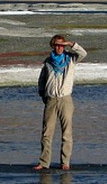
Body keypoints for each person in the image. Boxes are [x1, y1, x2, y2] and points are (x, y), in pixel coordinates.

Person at [34, 35, 87, 170]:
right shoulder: (48, 62)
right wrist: (43, 94)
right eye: (57, 45)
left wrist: (71, 44)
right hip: (51, 99)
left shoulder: (70, 59)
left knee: (66, 132)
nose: (59, 48)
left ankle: (65, 162)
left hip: (65, 100)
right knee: (47, 133)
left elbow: (83, 53)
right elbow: (42, 80)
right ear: (53, 46)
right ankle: (44, 162)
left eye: (61, 45)